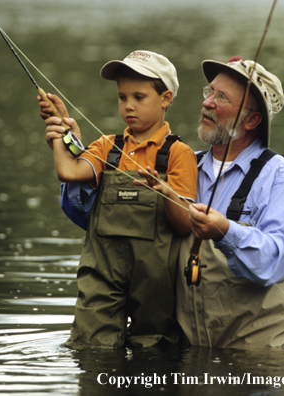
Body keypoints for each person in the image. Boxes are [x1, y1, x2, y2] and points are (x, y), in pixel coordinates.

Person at [58, 56, 284, 350]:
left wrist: (226, 231)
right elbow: (98, 221)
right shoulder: (179, 165)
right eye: (209, 92)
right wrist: (75, 154)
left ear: (252, 120)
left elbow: (279, 260)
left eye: (222, 97)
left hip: (264, 358)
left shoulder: (280, 178)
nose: (207, 103)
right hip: (188, 352)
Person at [39, 50, 198, 348]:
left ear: (166, 99)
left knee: (153, 350)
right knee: (89, 345)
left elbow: (183, 226)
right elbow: (69, 171)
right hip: (102, 274)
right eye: (122, 97)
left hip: (156, 282)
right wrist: (60, 131)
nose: (128, 106)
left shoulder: (179, 154)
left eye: (139, 97)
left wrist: (167, 193)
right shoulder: (106, 146)